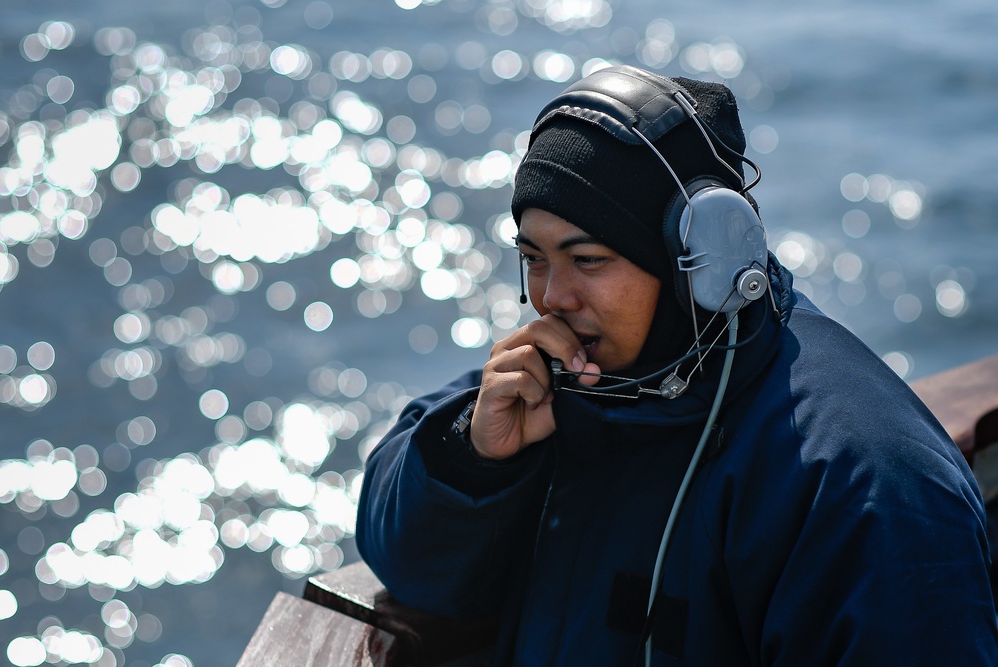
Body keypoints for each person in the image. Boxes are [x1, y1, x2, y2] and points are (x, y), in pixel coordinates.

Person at [356, 65, 998, 666]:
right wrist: (474, 457)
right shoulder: (570, 382)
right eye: (534, 257)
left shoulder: (864, 482)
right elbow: (405, 561)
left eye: (588, 260)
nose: (552, 296)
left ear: (705, 258)